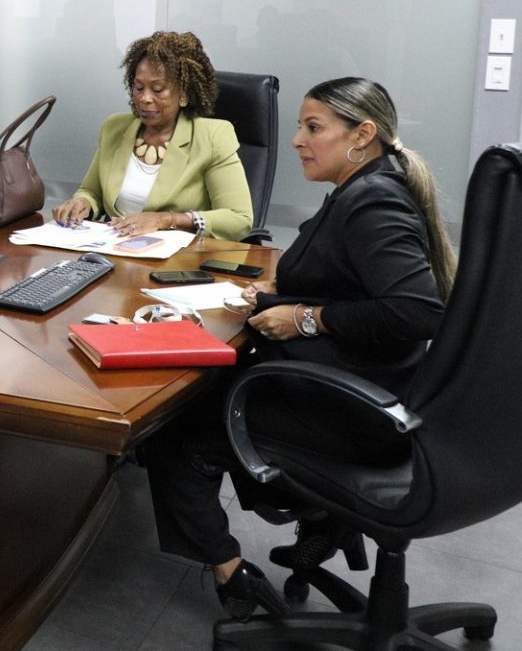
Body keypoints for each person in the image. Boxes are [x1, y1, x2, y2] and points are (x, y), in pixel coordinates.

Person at [143, 77, 454, 620]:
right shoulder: (368, 186)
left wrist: (305, 318)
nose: (296, 140)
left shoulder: (373, 201)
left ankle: (231, 571)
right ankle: (322, 517)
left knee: (174, 426)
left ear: (362, 135)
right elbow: (353, 286)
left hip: (353, 409)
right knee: (216, 391)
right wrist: (277, 297)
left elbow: (416, 311)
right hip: (368, 389)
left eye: (313, 128)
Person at [51, 31, 253, 241]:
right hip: (112, 248)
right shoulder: (114, 128)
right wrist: (82, 203)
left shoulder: (212, 137)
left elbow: (239, 219)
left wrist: (165, 220)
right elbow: (92, 192)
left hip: (178, 256)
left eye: (157, 89)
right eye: (139, 88)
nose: (144, 98)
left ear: (183, 93)